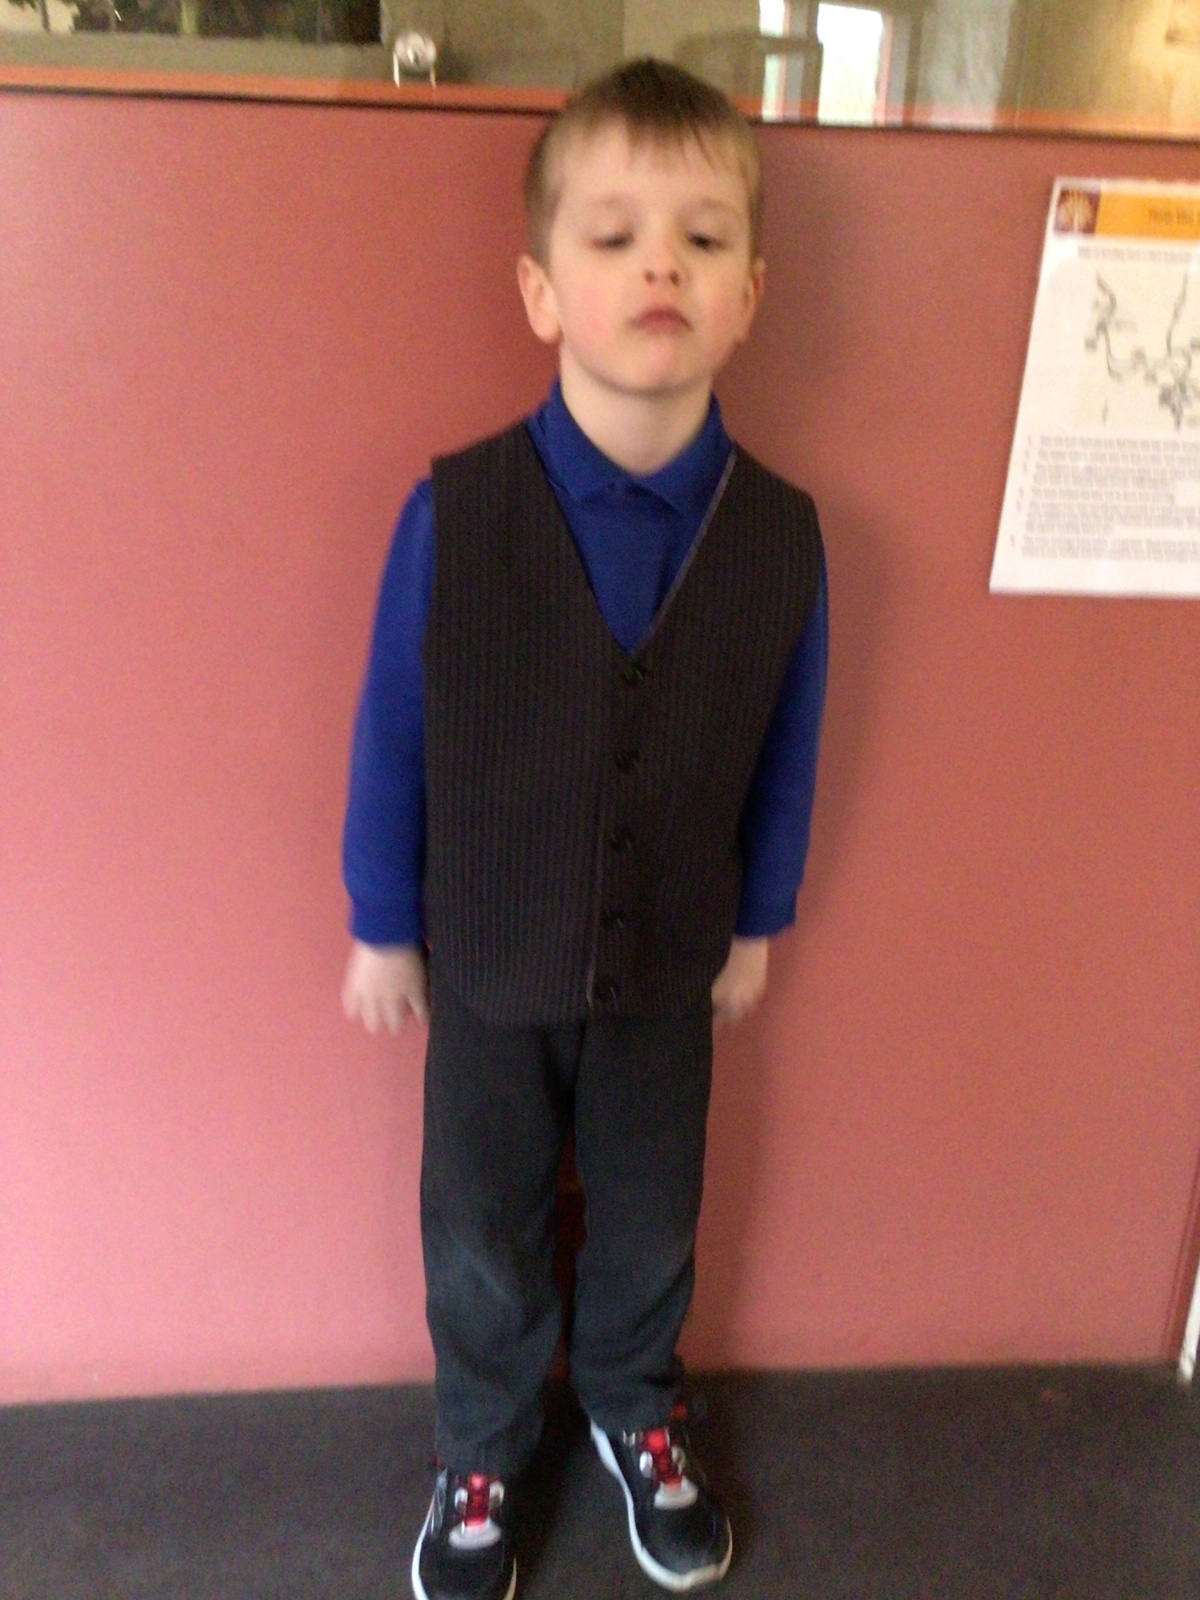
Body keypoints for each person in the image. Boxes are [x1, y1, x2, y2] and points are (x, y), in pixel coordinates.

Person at [342, 56, 828, 1600]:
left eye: (701, 237)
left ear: (749, 295)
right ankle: (484, 1439)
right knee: (481, 1221)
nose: (659, 265)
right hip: (486, 966)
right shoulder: (454, 514)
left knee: (649, 1212)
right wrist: (381, 923)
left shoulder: (783, 538)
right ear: (544, 292)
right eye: (614, 236)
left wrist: (759, 922)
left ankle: (632, 1403)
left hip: (674, 963)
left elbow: (789, 746)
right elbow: (393, 731)